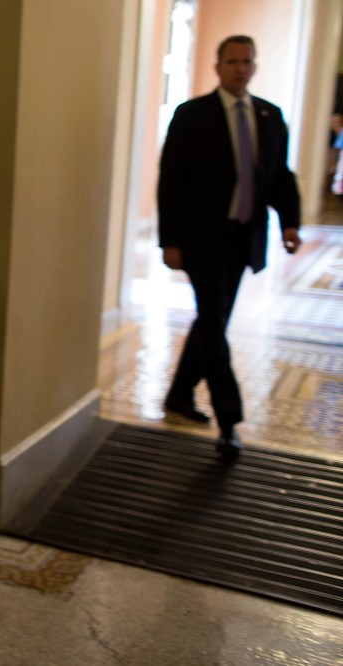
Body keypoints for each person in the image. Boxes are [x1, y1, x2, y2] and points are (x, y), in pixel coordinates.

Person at [157, 35, 301, 457]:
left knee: (212, 320)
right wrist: (170, 241)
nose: (240, 68)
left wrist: (290, 223)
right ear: (217, 66)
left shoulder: (269, 115)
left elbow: (279, 175)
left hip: (244, 237)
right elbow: (171, 182)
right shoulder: (191, 115)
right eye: (232, 61)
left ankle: (179, 394)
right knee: (214, 320)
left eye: (247, 61)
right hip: (202, 238)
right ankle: (229, 421)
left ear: (254, 67)